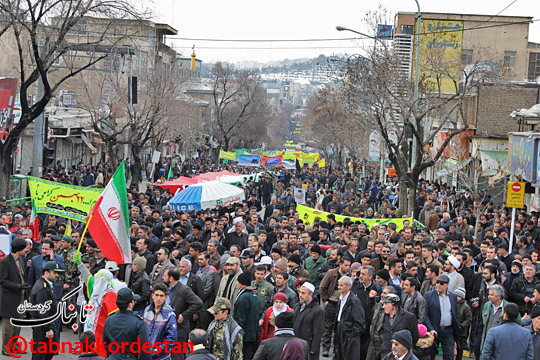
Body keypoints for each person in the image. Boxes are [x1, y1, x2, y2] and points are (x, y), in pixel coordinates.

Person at [102, 287, 152, 360]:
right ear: (130, 304)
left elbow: (105, 342)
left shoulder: (109, 319)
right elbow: (144, 349)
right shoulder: (138, 322)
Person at [0, 238, 30, 356]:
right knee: (9, 325)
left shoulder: (21, 260)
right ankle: (5, 347)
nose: (26, 250)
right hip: (10, 297)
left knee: (18, 323)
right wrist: (18, 286)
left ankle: (14, 345)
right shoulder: (5, 261)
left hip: (21, 296)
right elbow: (3, 280)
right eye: (25, 248)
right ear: (19, 250)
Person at [29, 261, 65, 360]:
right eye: (54, 272)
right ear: (46, 273)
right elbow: (42, 311)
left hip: (44, 323)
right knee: (41, 352)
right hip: (42, 324)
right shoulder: (43, 288)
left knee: (51, 348)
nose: (57, 275)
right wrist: (48, 329)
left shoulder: (45, 284)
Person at [424, 274, 461, 360]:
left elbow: (454, 313)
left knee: (449, 356)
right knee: (430, 355)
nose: (438, 285)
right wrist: (431, 329)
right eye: (437, 283)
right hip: (434, 330)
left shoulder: (453, 297)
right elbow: (425, 314)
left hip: (448, 330)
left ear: (447, 285)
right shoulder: (429, 295)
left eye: (441, 284)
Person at [144, 283, 178, 360]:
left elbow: (172, 338)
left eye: (161, 296)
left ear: (166, 297)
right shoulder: (147, 310)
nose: (158, 298)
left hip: (162, 357)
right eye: (156, 295)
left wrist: (157, 350)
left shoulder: (170, 315)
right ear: (152, 296)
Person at [335, 276, 365, 360]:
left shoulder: (354, 301)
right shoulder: (341, 299)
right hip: (340, 331)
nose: (339, 287)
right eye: (338, 285)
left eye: (341, 285)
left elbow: (360, 322)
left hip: (349, 335)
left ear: (348, 287)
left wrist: (351, 335)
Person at [233, 271, 260, 360]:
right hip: (253, 334)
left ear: (241, 283)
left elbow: (239, 319)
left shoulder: (243, 298)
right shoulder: (254, 296)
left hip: (244, 336)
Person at [293, 282, 323, 360]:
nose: (300, 295)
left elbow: (318, 331)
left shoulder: (317, 310)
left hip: (307, 346)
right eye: (299, 292)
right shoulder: (297, 306)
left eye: (303, 293)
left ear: (310, 294)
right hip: (296, 344)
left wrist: (313, 349)